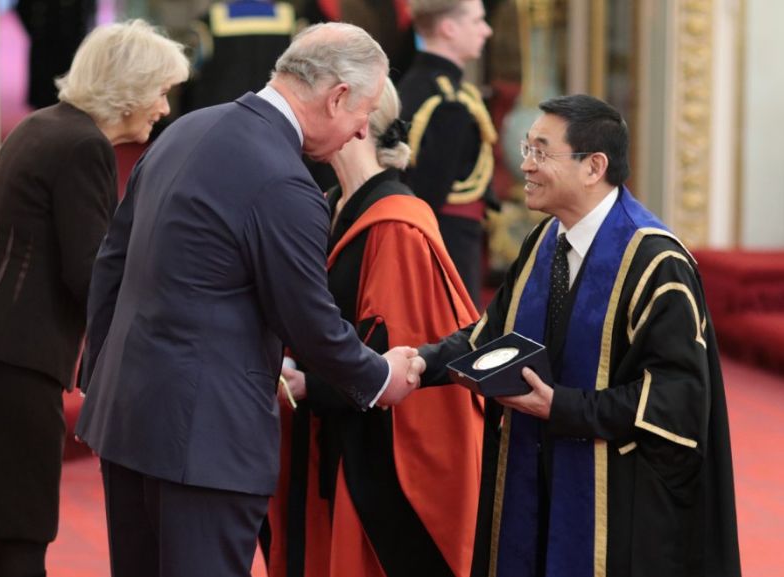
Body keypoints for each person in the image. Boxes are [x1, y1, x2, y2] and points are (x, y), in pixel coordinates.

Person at [74, 22, 422, 577]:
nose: (363, 131)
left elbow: (111, 262)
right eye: (364, 112)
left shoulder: (187, 129)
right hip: (204, 443)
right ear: (336, 97)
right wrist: (379, 377)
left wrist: (103, 378)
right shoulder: (284, 180)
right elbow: (309, 321)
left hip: (129, 419)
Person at [0, 20, 189, 577]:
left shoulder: (43, 126)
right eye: (160, 91)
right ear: (128, 90)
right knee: (25, 527)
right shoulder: (84, 146)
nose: (163, 107)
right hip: (14, 356)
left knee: (14, 524)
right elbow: (91, 275)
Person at [416, 94, 741, 577]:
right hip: (536, 483)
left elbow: (676, 400)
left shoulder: (656, 263)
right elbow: (490, 337)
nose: (525, 165)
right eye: (527, 148)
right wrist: (418, 364)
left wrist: (564, 408)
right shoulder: (544, 241)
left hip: (618, 507)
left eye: (541, 152)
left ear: (594, 167)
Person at [265, 77, 483, 577]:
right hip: (321, 436)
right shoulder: (330, 203)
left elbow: (399, 355)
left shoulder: (397, 225)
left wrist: (311, 383)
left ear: (355, 119)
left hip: (369, 457)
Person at [398, 0, 497, 307]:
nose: (486, 30)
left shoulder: (421, 86)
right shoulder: (446, 102)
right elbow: (427, 198)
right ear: (449, 28)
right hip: (447, 246)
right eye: (477, 21)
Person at [180, 0, 297, 114]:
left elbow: (191, 68)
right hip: (273, 110)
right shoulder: (289, 16)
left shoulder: (211, 18)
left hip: (223, 111)